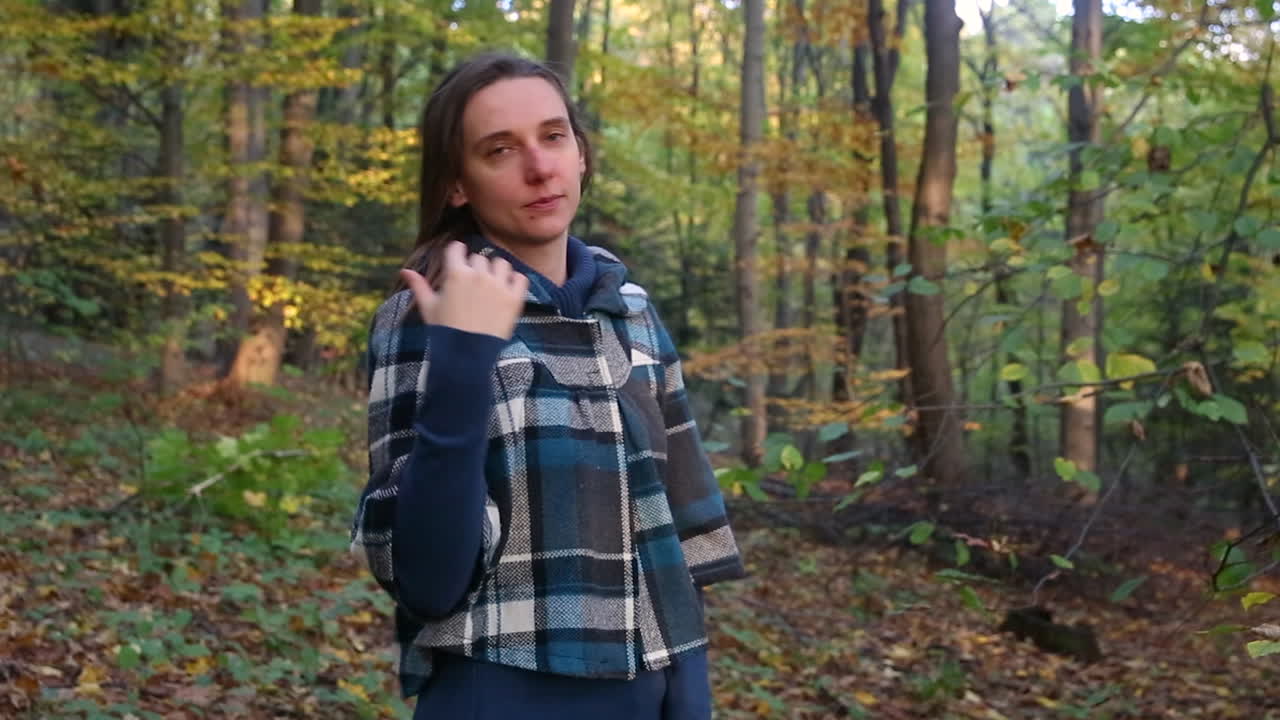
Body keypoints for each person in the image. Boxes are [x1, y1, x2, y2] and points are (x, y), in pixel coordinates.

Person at [349, 51, 746, 719]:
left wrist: (690, 689)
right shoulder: (429, 312)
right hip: (495, 689)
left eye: (553, 136)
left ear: (582, 153)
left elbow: (677, 527)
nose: (539, 167)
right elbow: (427, 580)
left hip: (646, 697)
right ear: (457, 185)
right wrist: (462, 365)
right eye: (499, 150)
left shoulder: (631, 308)